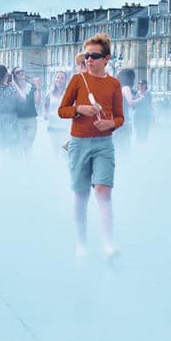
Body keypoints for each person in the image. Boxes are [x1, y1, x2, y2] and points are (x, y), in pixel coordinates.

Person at [56, 33, 124, 258]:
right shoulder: (77, 80)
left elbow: (120, 118)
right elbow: (62, 110)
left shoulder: (114, 84)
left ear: (106, 59)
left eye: (94, 56)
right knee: (81, 193)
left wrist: (110, 124)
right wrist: (79, 109)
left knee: (103, 191)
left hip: (104, 144)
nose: (89, 60)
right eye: (86, 56)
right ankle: (82, 243)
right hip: (79, 142)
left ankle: (108, 244)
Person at [12, 67, 41, 154]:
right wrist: (14, 84)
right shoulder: (13, 89)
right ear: (14, 76)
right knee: (20, 145)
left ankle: (28, 164)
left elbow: (37, 101)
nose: (21, 73)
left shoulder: (31, 86)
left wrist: (38, 87)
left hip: (31, 119)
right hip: (19, 120)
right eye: (17, 72)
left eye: (22, 71)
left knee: (29, 145)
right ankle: (21, 165)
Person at [42, 70, 71, 155]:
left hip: (65, 127)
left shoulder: (68, 93)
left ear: (65, 80)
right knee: (54, 151)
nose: (59, 80)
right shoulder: (49, 93)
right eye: (58, 78)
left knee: (65, 151)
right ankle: (56, 167)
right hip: (52, 126)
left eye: (62, 78)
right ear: (54, 79)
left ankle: (65, 167)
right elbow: (45, 107)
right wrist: (45, 114)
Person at [116, 68, 143, 151]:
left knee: (119, 145)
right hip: (124, 122)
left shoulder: (120, 88)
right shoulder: (126, 88)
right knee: (125, 145)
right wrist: (140, 99)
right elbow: (130, 103)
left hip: (117, 121)